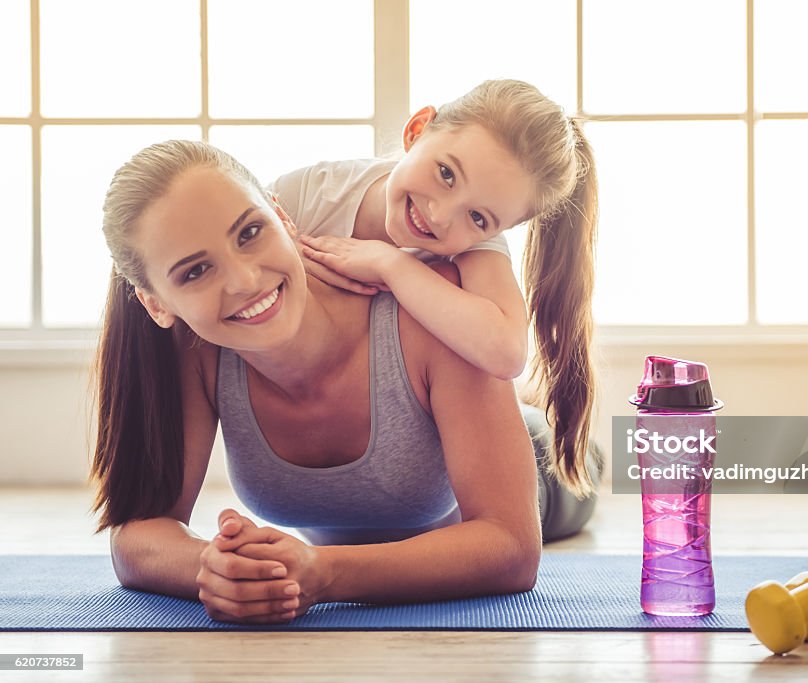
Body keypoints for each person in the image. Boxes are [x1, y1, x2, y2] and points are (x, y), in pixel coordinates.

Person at [90, 139, 599, 624]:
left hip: (546, 470)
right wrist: (214, 568)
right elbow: (136, 538)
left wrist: (326, 573)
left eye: (249, 233)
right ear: (157, 303)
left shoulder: (436, 317)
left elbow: (511, 547)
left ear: (281, 214)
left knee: (575, 454)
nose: (244, 281)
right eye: (195, 271)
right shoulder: (195, 352)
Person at [283, 80, 599, 499]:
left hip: (532, 472)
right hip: (365, 479)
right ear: (417, 129)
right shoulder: (312, 194)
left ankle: (583, 455)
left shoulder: (477, 247)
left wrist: (391, 264)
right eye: (446, 174)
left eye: (479, 218)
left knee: (560, 464)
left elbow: (506, 350)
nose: (440, 215)